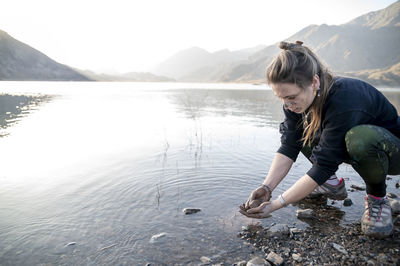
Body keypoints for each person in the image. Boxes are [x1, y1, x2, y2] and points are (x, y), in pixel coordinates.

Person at [239, 41, 400, 238]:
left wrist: (275, 205)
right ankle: (329, 184)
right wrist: (267, 188)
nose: (287, 104)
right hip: (350, 148)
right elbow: (289, 145)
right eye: (281, 98)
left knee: (359, 138)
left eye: (291, 97)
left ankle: (377, 199)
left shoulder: (345, 98)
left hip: (391, 152)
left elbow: (324, 164)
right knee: (303, 129)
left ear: (314, 82)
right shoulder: (297, 103)